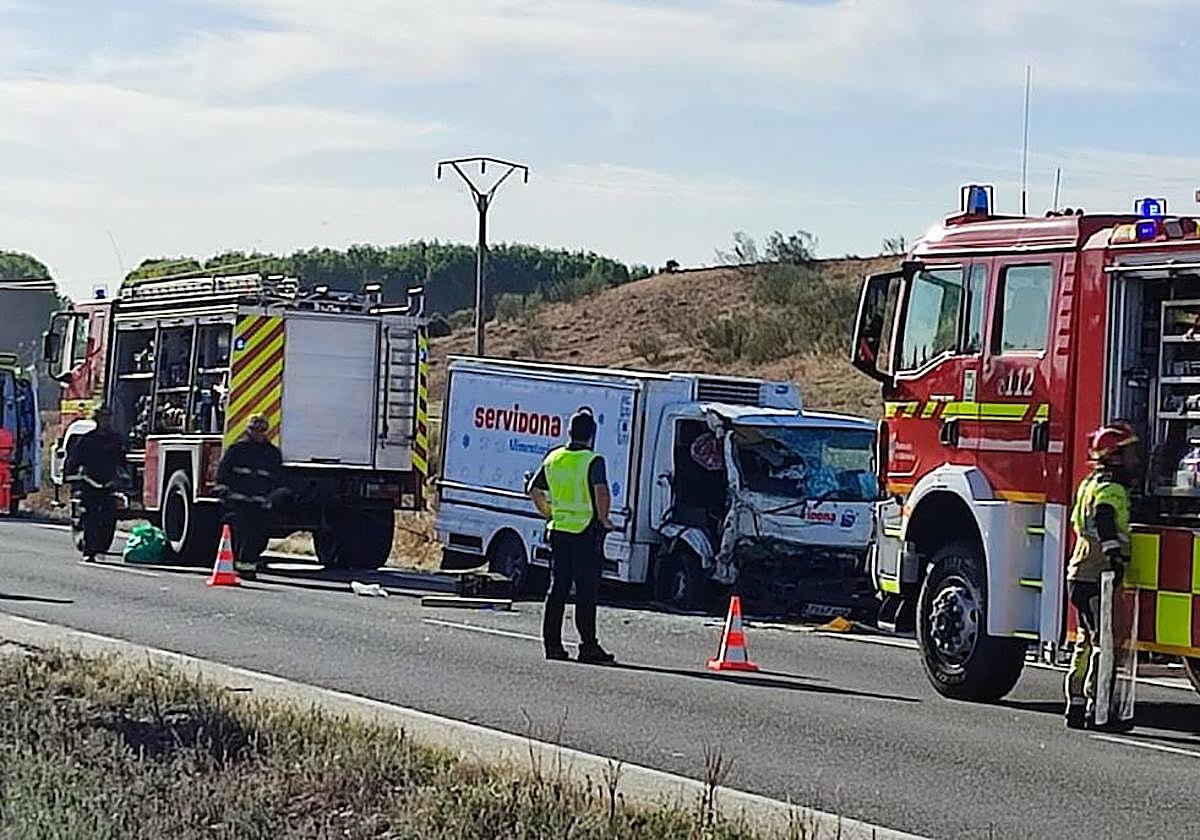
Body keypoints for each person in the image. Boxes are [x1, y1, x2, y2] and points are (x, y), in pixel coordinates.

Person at [1064, 421, 1139, 731]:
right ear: (1115, 457)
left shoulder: (1089, 484)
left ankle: (1076, 706)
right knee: (1104, 644)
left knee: (1084, 641)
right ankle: (1100, 711)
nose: (1135, 459)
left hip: (1078, 573)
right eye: (1129, 453)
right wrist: (1115, 555)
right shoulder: (1111, 490)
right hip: (1100, 576)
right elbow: (1104, 520)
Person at [529, 410, 616, 664]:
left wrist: (549, 513)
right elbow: (601, 491)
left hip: (559, 531)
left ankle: (552, 645)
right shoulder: (593, 460)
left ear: (569, 432)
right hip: (585, 532)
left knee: (558, 589)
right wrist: (603, 518)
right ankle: (588, 646)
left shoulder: (554, 458)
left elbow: (534, 489)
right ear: (591, 435)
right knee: (586, 592)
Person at [215, 414, 283, 580]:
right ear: (248, 430)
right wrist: (225, 494)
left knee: (256, 536)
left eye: (261, 429)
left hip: (259, 504)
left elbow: (277, 478)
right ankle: (240, 565)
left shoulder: (272, 454)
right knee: (239, 534)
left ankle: (248, 567)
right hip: (238, 503)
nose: (258, 433)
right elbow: (223, 474)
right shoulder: (237, 450)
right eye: (254, 429)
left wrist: (272, 498)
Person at [63, 405, 126, 561]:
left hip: (108, 484)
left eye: (108, 418)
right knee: (90, 517)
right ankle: (89, 551)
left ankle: (102, 548)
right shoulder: (87, 439)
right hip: (90, 483)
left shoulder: (115, 440)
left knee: (108, 518)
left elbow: (121, 461)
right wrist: (69, 473)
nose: (106, 421)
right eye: (103, 418)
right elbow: (74, 461)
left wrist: (123, 476)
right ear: (97, 420)